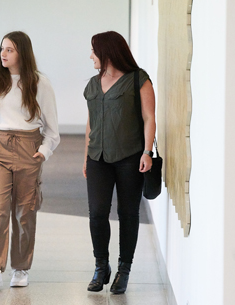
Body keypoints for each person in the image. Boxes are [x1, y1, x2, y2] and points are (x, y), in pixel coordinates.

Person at [0, 31, 60, 290]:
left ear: (22, 52)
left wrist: (44, 151)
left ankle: (21, 268)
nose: (3, 54)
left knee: (25, 212)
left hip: (28, 149)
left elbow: (52, 128)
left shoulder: (40, 84)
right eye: (2, 49)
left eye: (9, 49)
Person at [83, 31, 156, 294]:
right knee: (97, 213)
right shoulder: (93, 84)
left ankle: (124, 269)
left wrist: (147, 151)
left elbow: (149, 117)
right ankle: (101, 266)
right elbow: (91, 123)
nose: (91, 55)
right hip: (98, 158)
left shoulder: (138, 79)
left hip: (130, 158)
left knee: (128, 214)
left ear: (107, 52)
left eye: (94, 50)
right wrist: (85, 157)